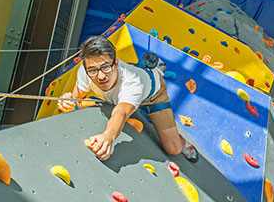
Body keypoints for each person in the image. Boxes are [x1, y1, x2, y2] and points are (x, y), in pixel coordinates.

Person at [58, 36, 198, 163]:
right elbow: (78, 97)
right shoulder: (85, 72)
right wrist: (68, 100)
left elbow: (122, 113)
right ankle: (143, 68)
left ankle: (155, 70)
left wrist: (108, 136)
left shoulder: (132, 83)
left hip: (153, 96)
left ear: (116, 64)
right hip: (129, 92)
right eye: (93, 70)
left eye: (106, 67)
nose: (100, 77)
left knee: (174, 149)